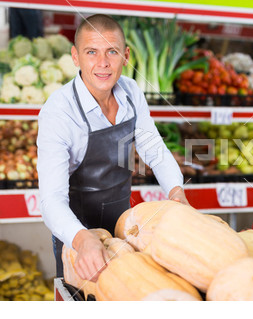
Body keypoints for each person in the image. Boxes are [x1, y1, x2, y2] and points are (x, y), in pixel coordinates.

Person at [37, 14, 188, 282]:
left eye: (112, 52)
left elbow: (154, 149)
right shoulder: (59, 112)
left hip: (126, 230)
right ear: (75, 57)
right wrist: (82, 239)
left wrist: (177, 192)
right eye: (91, 52)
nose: (103, 63)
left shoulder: (131, 92)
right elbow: (51, 198)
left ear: (126, 56)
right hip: (77, 235)